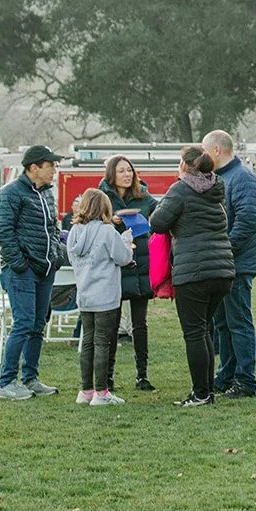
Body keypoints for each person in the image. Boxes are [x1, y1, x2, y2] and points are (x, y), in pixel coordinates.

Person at [146, 145, 238, 407]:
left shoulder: (180, 189)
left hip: (194, 271)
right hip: (222, 270)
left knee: (194, 333)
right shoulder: (217, 187)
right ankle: (206, 391)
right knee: (204, 330)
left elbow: (158, 223)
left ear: (185, 165)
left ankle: (200, 394)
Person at [0, 145, 65, 401]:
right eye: (50, 166)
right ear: (33, 167)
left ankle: (31, 378)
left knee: (37, 325)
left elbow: (53, 228)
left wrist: (54, 255)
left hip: (45, 268)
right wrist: (20, 264)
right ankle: (7, 382)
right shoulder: (10, 194)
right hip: (22, 271)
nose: (54, 170)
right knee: (23, 324)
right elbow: (3, 232)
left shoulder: (46, 194)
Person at [205, 129, 256, 399]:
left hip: (237, 265)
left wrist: (225, 250)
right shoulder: (218, 178)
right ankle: (225, 375)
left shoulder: (243, 178)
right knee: (223, 324)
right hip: (221, 264)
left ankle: (245, 380)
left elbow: (247, 221)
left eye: (206, 151)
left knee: (239, 322)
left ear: (217, 150)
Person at [67, 188, 135, 406]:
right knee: (103, 343)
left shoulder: (74, 233)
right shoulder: (107, 232)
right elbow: (123, 258)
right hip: (105, 295)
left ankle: (85, 390)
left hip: (85, 294)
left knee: (87, 342)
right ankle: (102, 392)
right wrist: (126, 241)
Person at [98, 155, 158, 391]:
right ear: (112, 174)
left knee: (139, 324)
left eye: (129, 170)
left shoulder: (144, 196)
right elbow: (87, 221)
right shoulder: (101, 197)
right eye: (122, 171)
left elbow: (162, 213)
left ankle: (142, 375)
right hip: (114, 267)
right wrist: (109, 221)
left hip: (141, 265)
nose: (127, 174)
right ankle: (108, 376)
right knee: (111, 325)